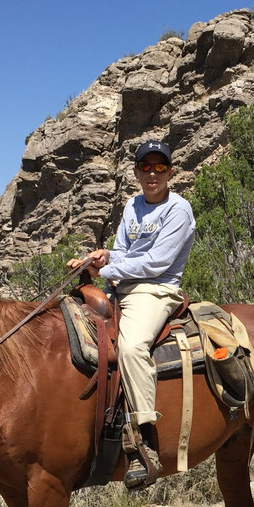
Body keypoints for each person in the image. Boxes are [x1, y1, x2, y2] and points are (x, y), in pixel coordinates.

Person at [67, 139, 196, 489]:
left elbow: (158, 263)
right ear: (137, 172)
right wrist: (103, 259)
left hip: (156, 289)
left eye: (160, 168)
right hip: (122, 286)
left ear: (170, 172)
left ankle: (144, 440)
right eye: (146, 167)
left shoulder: (178, 210)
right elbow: (124, 252)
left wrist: (108, 270)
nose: (152, 174)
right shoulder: (133, 205)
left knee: (133, 346)